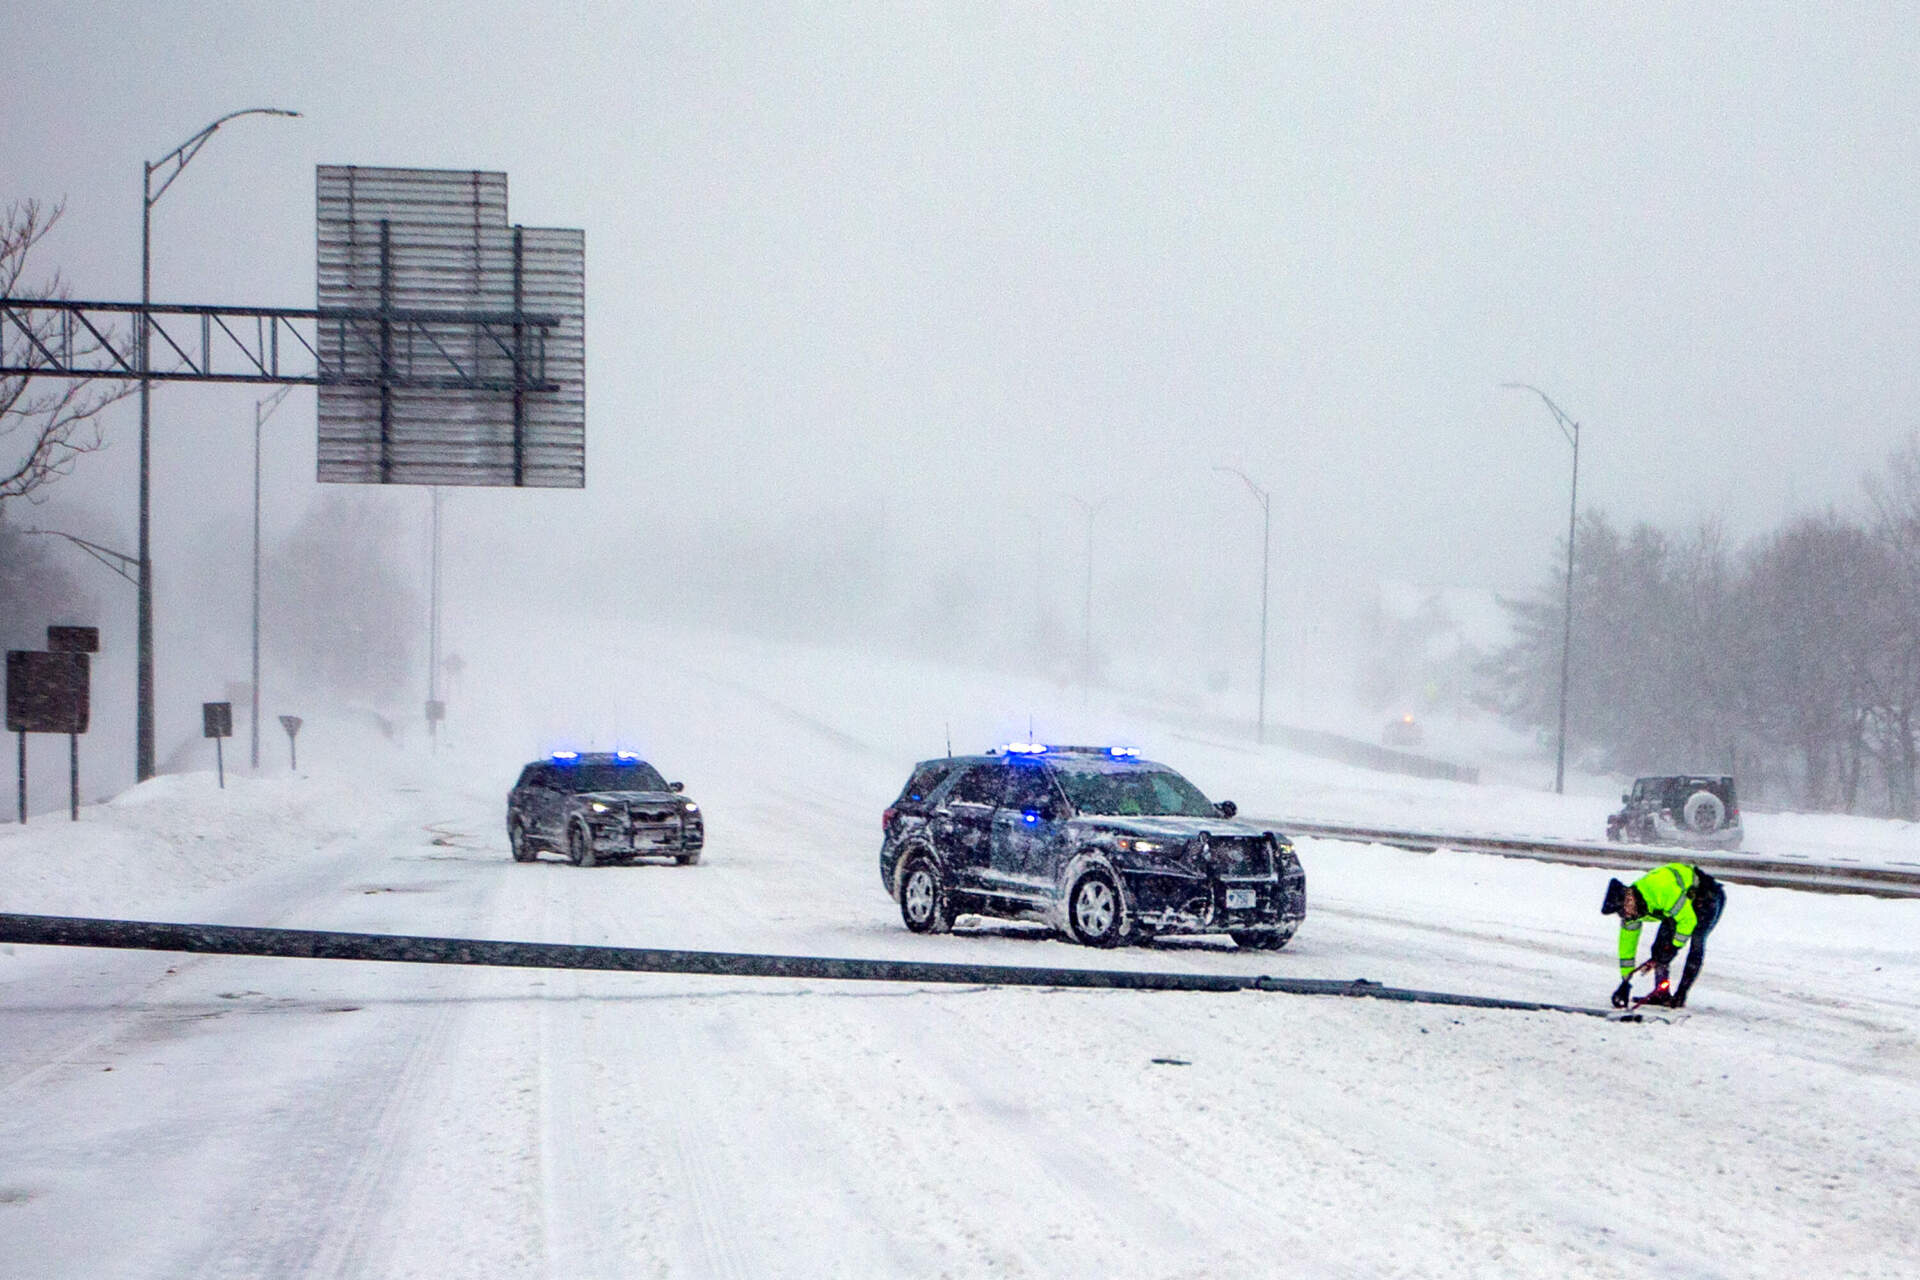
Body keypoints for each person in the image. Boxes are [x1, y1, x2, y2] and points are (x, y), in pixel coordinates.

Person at [1600, 862, 1727, 1008]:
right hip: (1680, 904)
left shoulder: (1660, 891)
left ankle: (1680, 996)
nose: (1626, 916)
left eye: (1625, 912)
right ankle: (1662, 993)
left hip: (1707, 898)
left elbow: (1688, 921)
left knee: (1696, 943)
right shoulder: (1631, 909)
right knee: (1659, 948)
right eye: (1622, 914)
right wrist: (1625, 981)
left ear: (1630, 899)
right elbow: (1627, 948)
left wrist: (1674, 947)